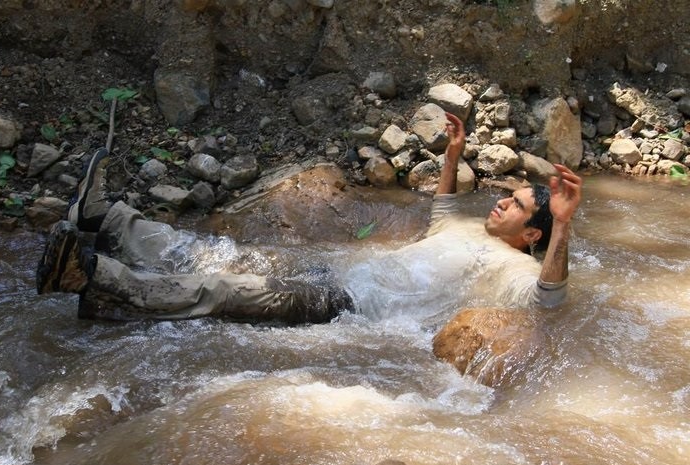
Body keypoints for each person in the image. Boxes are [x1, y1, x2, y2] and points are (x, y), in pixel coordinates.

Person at [36, 112, 582, 323]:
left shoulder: (514, 271)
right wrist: (452, 154)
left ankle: (93, 276)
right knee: (210, 254)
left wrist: (564, 224)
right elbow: (443, 204)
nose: (500, 201)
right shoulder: (461, 227)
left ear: (531, 232)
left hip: (347, 306)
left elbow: (549, 300)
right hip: (330, 276)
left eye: (516, 206)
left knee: (224, 287)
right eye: (506, 197)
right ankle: (107, 219)